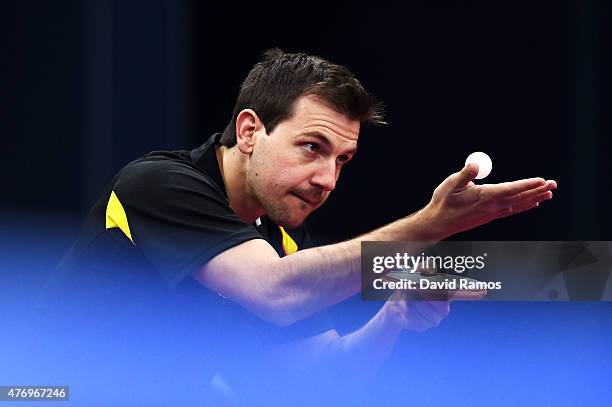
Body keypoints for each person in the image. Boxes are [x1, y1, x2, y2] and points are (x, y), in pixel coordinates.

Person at [40, 48, 557, 403]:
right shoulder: (157, 184)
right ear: (249, 131)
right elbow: (273, 291)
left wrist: (392, 319)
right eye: (312, 147)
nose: (327, 179)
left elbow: (319, 382)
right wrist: (427, 226)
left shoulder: (280, 239)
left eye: (343, 160)